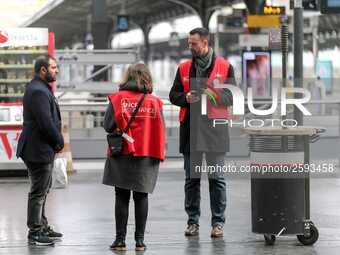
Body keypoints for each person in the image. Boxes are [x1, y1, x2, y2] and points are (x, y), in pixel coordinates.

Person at [169, 28, 236, 238]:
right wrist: (185, 98)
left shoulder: (225, 67)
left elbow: (232, 96)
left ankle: (218, 223)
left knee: (216, 178)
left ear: (205, 43)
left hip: (215, 129)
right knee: (192, 179)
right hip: (191, 129)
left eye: (194, 43)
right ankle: (193, 222)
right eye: (189, 43)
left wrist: (209, 94)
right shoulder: (183, 68)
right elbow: (173, 95)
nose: (190, 47)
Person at [102, 63, 166, 251]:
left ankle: (120, 240)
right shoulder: (154, 102)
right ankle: (140, 241)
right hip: (147, 154)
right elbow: (160, 130)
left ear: (127, 77)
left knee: (121, 196)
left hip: (121, 153)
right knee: (141, 196)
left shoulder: (118, 98)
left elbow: (107, 125)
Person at [16, 54, 64, 246]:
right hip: (37, 148)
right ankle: (35, 232)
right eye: (53, 67)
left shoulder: (41, 88)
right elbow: (46, 122)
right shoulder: (37, 90)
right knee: (38, 192)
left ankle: (42, 226)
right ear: (42, 69)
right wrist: (59, 141)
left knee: (43, 191)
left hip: (41, 148)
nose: (56, 70)